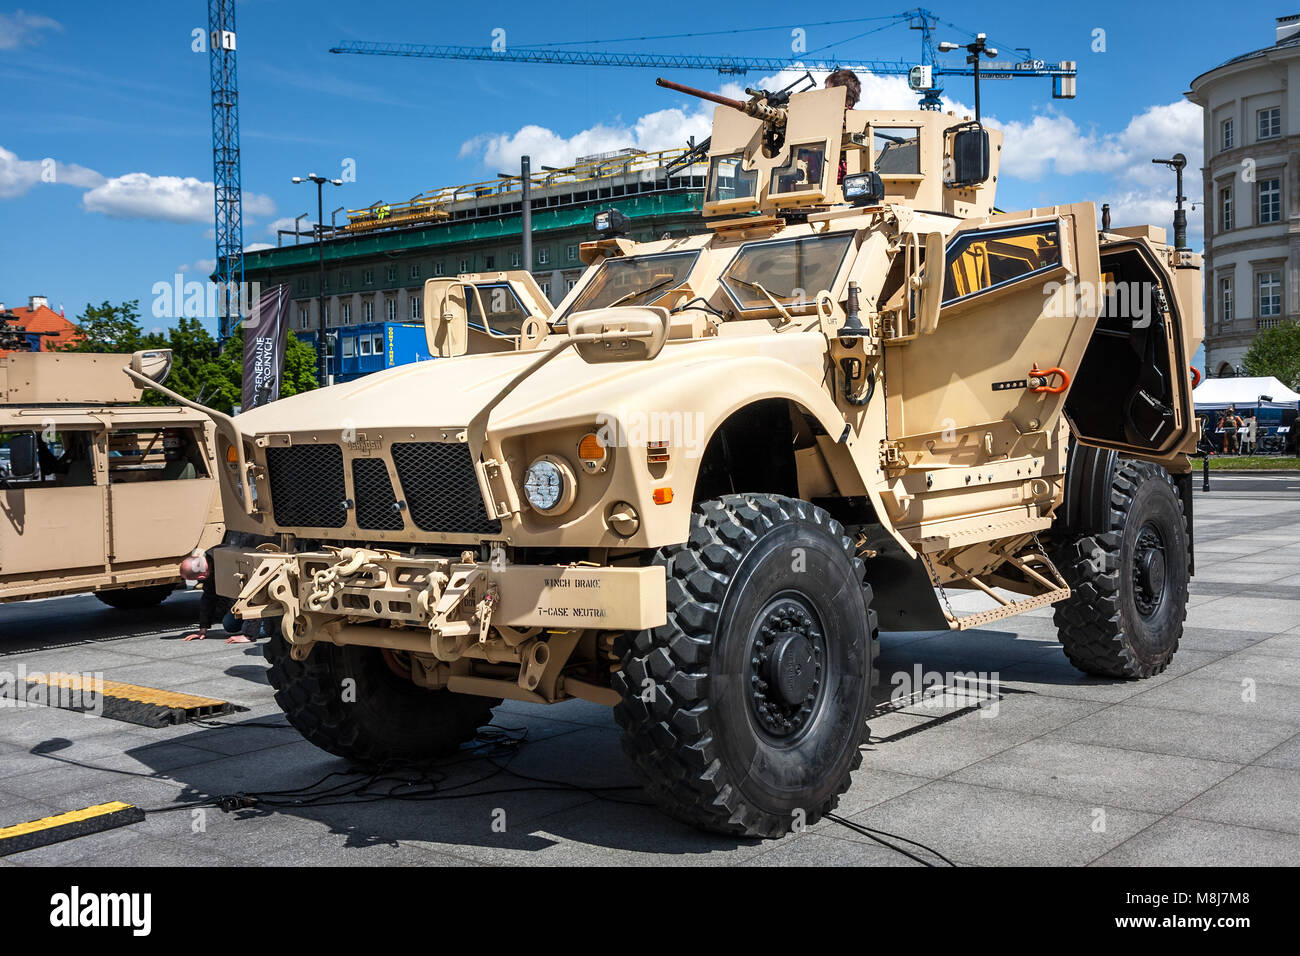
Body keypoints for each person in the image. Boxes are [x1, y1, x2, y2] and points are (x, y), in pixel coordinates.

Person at [182, 549, 254, 644]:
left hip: (258, 596)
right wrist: (203, 628)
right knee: (230, 625)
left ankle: (270, 625)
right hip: (241, 598)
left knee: (251, 626)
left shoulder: (225, 561)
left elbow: (253, 594)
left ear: (201, 578)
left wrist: (249, 635)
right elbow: (208, 597)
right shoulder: (209, 562)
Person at [824, 69, 861, 187]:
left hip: (835, 182)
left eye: (827, 90)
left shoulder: (831, 119)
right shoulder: (858, 119)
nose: (823, 94)